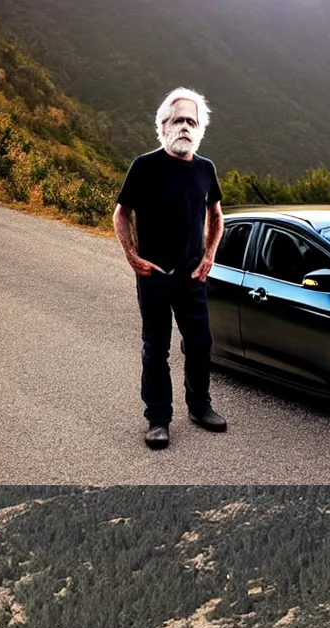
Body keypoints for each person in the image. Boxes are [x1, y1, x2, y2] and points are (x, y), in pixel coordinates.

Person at [113, 85, 226, 449]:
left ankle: (200, 406)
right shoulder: (144, 166)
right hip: (155, 276)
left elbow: (217, 216)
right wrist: (133, 257)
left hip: (194, 276)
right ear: (163, 126)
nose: (184, 126)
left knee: (199, 343)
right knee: (156, 348)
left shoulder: (206, 169)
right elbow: (121, 214)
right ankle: (158, 419)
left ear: (200, 128)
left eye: (191, 121)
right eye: (177, 120)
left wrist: (209, 256)